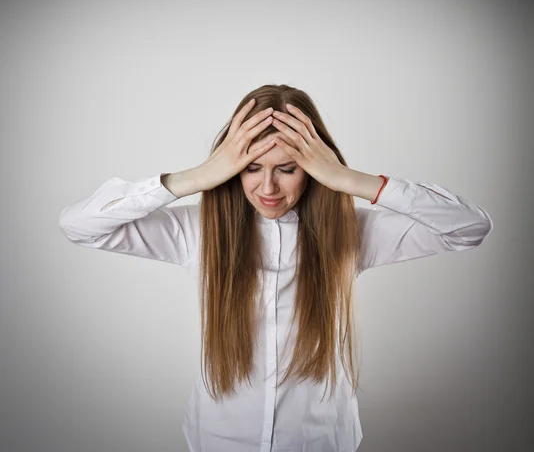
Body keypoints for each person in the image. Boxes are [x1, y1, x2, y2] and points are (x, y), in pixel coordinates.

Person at [58, 83, 494, 452]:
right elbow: (79, 226)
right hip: (217, 439)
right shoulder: (197, 232)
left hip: (323, 440)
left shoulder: (351, 233)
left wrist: (349, 180)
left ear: (312, 168)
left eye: (287, 169)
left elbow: (469, 228)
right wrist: (194, 178)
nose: (267, 187)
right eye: (250, 168)